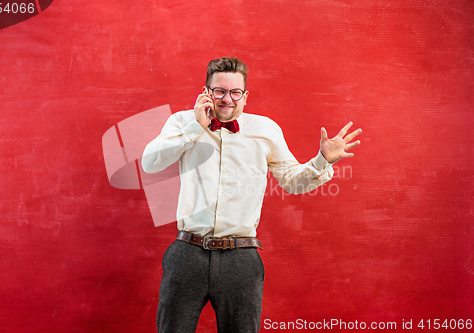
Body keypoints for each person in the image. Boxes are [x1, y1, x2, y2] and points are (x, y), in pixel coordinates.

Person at [141, 57, 362, 333]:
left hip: (241, 258)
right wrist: (194, 129)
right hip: (186, 254)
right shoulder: (181, 122)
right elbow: (149, 164)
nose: (227, 100)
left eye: (235, 92)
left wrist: (321, 160)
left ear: (245, 96)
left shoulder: (265, 129)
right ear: (206, 91)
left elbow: (292, 181)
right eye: (219, 91)